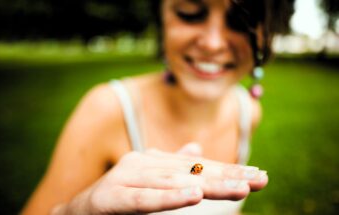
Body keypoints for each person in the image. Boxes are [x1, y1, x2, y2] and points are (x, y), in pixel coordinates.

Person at [21, 0, 275, 214]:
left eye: (242, 21)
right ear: (160, 19)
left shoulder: (249, 111)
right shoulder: (106, 108)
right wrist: (76, 211)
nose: (212, 43)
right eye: (190, 14)